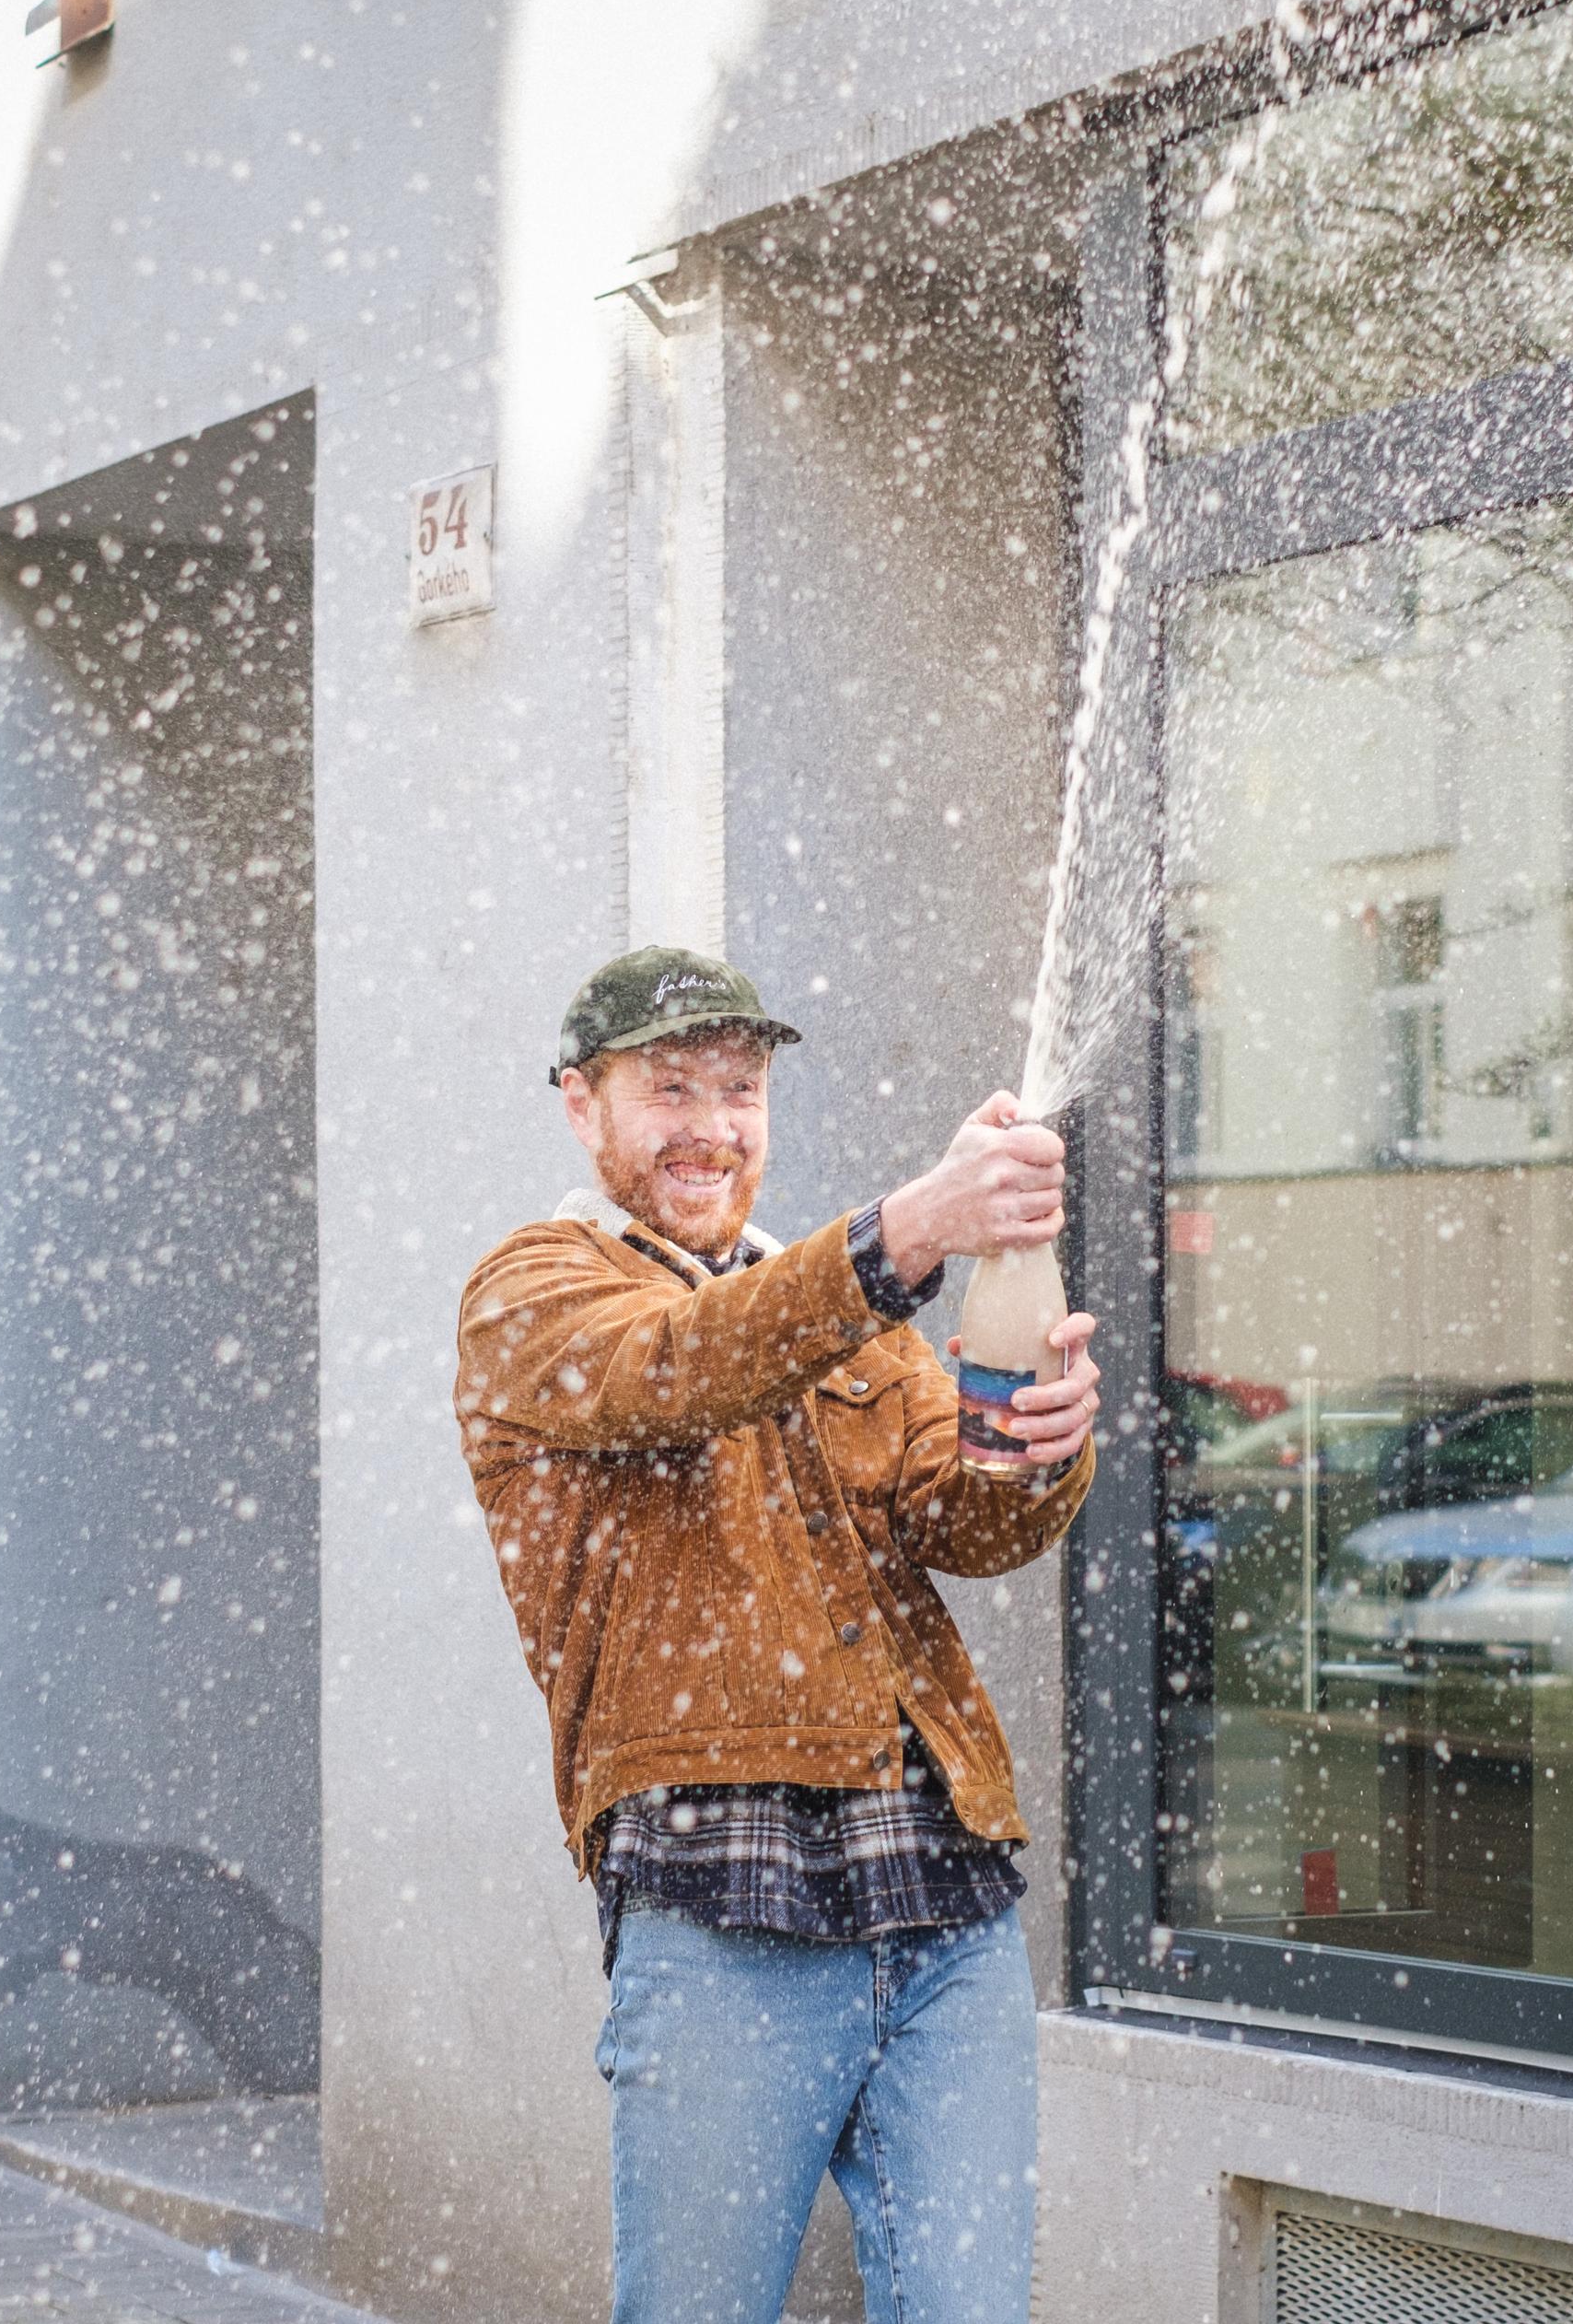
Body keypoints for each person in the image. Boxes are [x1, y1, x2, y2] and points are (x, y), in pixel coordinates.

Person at [453, 945, 1101, 2324]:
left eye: (739, 1089)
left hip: (944, 1895)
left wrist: (1041, 1444)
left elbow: (966, 1522)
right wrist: (906, 1232)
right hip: (721, 1900)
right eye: (670, 1088)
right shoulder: (533, 1289)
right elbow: (679, 1366)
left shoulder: (844, 1318)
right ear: (582, 1104)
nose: (712, 1124)